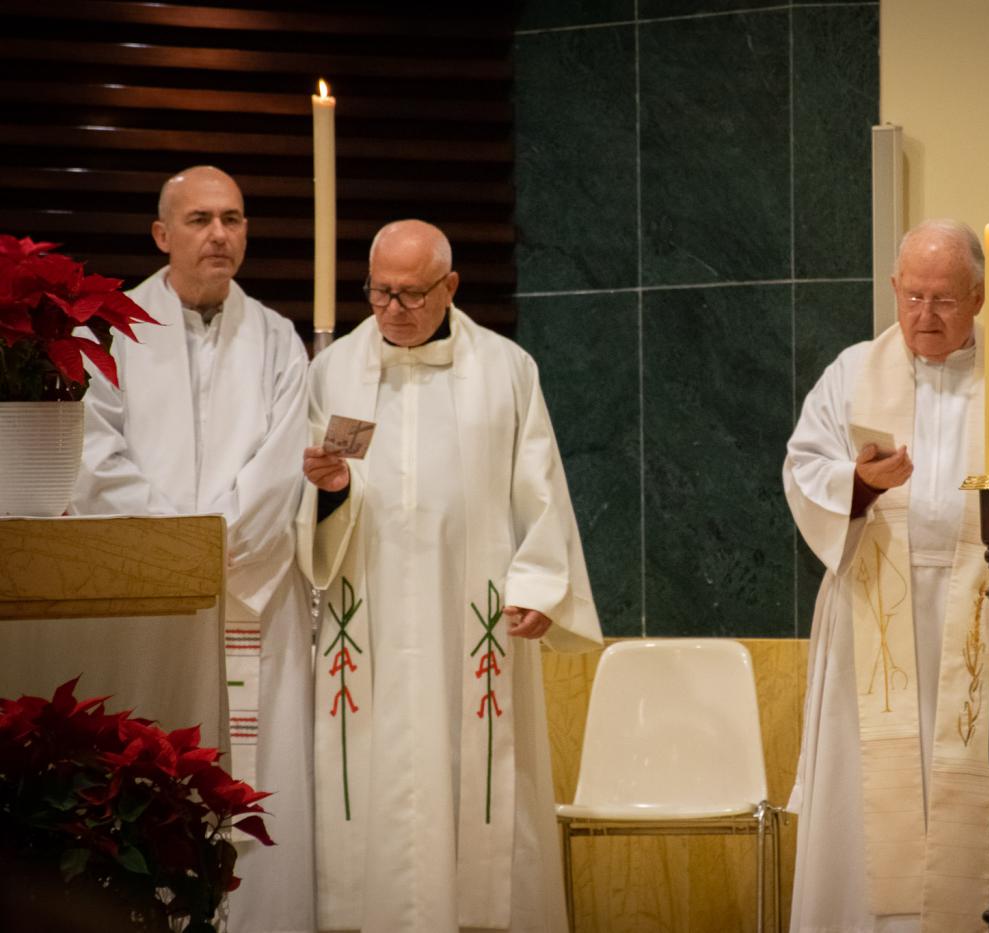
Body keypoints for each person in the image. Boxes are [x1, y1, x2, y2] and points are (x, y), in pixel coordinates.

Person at [298, 219, 602, 933]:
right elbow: (311, 501)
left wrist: (535, 588)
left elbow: (541, 489)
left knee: (482, 803)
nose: (392, 310)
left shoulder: (506, 369)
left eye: (411, 294)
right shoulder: (333, 371)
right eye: (378, 293)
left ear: (451, 287)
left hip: (471, 626)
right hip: (366, 618)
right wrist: (333, 487)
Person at [783, 220, 989, 932]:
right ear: (894, 289)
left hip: (983, 619)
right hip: (876, 620)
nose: (923, 316)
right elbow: (803, 470)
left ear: (978, 295)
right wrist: (862, 486)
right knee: (869, 806)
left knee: (981, 797)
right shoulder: (850, 373)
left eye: (942, 299)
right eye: (911, 296)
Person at [70, 165, 315, 933]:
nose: (220, 234)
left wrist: (213, 546)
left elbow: (282, 466)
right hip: (143, 594)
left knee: (259, 782)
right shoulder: (107, 329)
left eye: (234, 219)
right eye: (202, 218)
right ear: (161, 234)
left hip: (250, 589)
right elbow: (93, 453)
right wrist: (170, 549)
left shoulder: (277, 338)